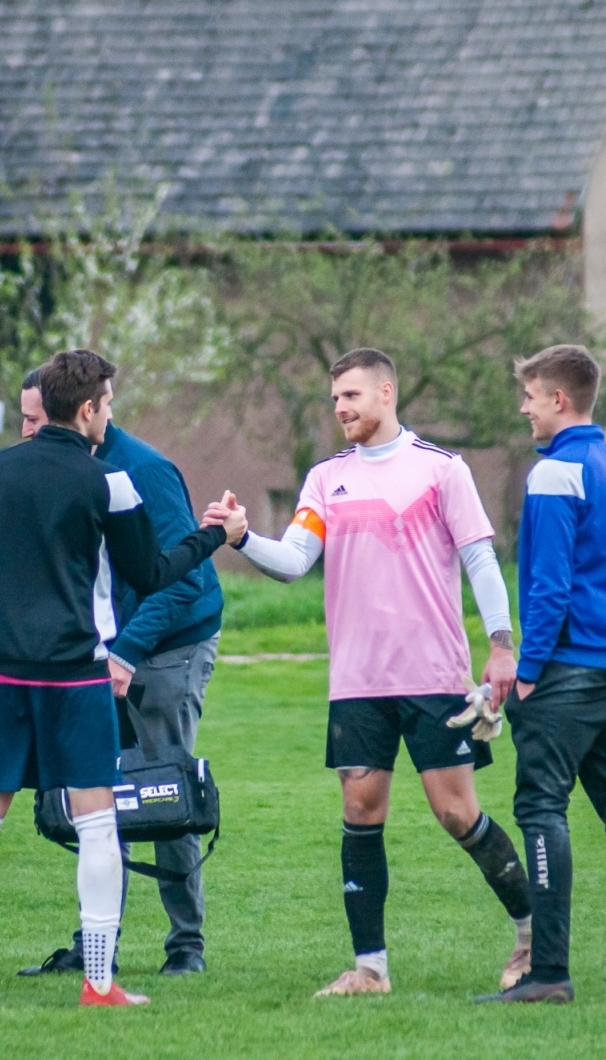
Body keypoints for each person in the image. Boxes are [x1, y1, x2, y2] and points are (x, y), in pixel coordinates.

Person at [0, 349, 244, 1009]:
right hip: (75, 677)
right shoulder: (111, 483)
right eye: (108, 404)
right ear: (91, 408)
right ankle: (99, 983)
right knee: (99, 823)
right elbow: (153, 573)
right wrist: (217, 536)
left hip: (2, 675)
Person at [205, 349, 532, 997]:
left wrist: (501, 646)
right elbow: (295, 559)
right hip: (356, 682)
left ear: (387, 392)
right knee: (360, 808)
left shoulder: (443, 471)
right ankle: (370, 969)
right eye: (334, 400)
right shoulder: (327, 478)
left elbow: (481, 564)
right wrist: (242, 538)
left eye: (351, 396)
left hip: (434, 675)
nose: (341, 409)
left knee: (456, 813)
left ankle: (533, 934)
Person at [476, 344, 606, 1005]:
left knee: (539, 808)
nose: (524, 409)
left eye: (530, 397)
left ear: (559, 400)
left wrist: (529, 671)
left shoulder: (555, 473)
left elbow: (549, 586)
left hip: (566, 672)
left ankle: (549, 975)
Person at [18, 366, 225, 978]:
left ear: (79, 409)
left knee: (164, 790)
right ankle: (95, 944)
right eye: (26, 419)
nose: (28, 430)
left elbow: (183, 579)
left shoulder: (146, 469)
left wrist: (127, 651)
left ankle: (186, 946)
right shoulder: (59, 468)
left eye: (33, 419)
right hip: (105, 650)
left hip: (169, 646)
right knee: (96, 793)